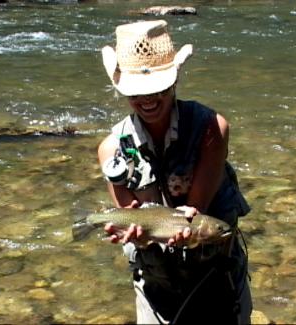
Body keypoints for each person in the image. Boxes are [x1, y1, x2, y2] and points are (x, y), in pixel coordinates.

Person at [98, 20, 252, 324]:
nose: (148, 99)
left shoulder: (211, 128)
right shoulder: (111, 149)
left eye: (158, 87)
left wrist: (186, 225)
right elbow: (129, 217)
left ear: (174, 81)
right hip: (156, 287)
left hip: (216, 278)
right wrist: (137, 238)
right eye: (136, 91)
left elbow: (197, 211)